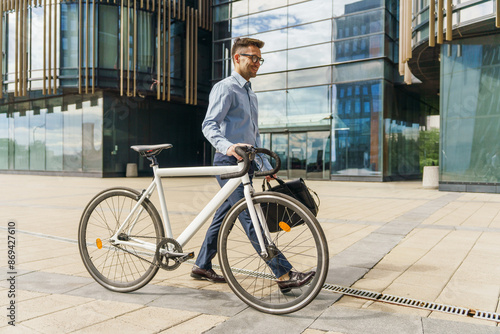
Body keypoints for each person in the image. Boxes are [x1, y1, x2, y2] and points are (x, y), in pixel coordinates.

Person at [191, 37, 314, 291]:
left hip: (246, 163)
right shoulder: (225, 88)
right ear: (237, 58)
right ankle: (283, 273)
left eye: (260, 59)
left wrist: (263, 164)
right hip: (229, 162)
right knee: (250, 215)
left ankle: (201, 264)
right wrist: (229, 147)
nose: (258, 63)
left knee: (223, 215)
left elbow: (253, 136)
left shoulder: (250, 94)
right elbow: (209, 125)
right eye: (253, 58)